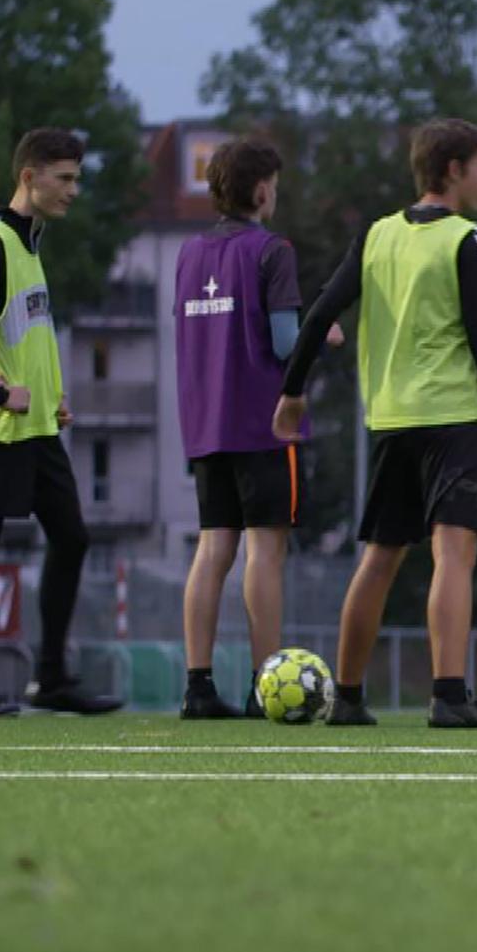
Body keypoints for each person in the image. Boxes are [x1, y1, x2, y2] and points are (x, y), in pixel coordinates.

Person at [276, 117, 477, 729]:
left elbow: (318, 315)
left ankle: (347, 696)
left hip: (390, 417)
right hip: (451, 415)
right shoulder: (466, 239)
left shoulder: (375, 236)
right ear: (452, 172)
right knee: (454, 552)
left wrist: (292, 392)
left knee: (380, 556)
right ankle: (449, 696)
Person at [0, 128, 124, 718]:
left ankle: (50, 679)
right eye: (64, 179)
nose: (73, 190)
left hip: (38, 428)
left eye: (77, 180)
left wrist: (52, 395)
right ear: (28, 177)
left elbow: (24, 335)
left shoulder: (32, 244)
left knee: (72, 536)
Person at [174, 135, 315, 718]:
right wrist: (318, 337)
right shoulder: (272, 249)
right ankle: (267, 685)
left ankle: (198, 686)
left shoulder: (188, 254)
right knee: (264, 550)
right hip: (263, 422)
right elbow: (285, 342)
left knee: (212, 549)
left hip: (205, 424)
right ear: (262, 190)